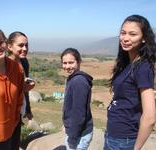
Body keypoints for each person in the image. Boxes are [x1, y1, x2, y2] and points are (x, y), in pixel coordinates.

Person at [104, 14, 156, 150]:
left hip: (124, 140)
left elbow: (150, 117)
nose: (125, 38)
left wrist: (136, 148)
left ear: (144, 38)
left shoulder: (143, 67)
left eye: (132, 34)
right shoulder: (128, 63)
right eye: (123, 33)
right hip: (114, 135)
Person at [61, 48, 93, 150]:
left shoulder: (79, 81)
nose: (67, 66)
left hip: (79, 134)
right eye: (64, 63)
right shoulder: (73, 78)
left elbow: (79, 112)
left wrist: (72, 137)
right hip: (77, 131)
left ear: (79, 62)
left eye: (71, 62)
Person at [7, 31, 35, 150]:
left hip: (19, 109)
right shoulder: (4, 65)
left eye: (26, 45)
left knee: (14, 144)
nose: (25, 48)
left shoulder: (24, 62)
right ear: (9, 46)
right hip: (7, 111)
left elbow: (24, 89)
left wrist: (28, 109)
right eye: (20, 45)